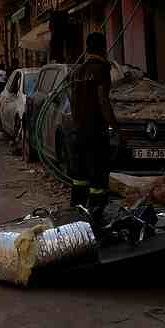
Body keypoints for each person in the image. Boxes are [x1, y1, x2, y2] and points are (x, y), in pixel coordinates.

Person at [67, 32, 118, 209]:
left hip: (78, 132)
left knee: (79, 177)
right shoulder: (102, 70)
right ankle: (97, 213)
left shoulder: (76, 72)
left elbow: (72, 100)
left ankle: (77, 212)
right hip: (96, 133)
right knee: (98, 179)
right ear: (104, 48)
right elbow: (103, 101)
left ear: (87, 48)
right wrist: (116, 128)